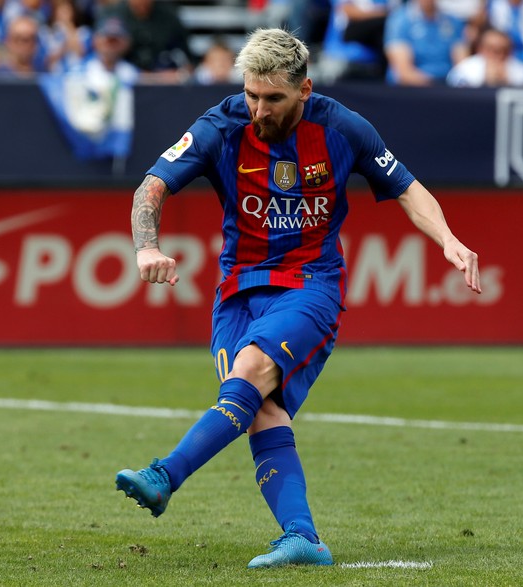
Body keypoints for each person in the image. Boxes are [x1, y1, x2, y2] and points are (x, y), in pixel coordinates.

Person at [115, 27, 481, 569]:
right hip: (237, 292)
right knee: (260, 410)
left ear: (304, 89)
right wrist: (146, 247)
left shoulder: (342, 128)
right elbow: (152, 185)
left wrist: (448, 238)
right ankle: (302, 537)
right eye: (251, 95)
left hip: (311, 285)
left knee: (254, 368)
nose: (259, 109)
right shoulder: (220, 125)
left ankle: (165, 474)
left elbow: (405, 186)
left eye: (274, 98)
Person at [100, 0, 193, 82]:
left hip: (165, 82)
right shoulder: (113, 16)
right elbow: (102, 58)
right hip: (123, 81)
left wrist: (181, 74)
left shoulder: (170, 16)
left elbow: (188, 61)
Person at [383, 0, 468, 85]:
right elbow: (404, 73)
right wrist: (436, 86)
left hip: (449, 87)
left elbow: (462, 67)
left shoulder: (453, 22)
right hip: (411, 90)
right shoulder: (399, 21)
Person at [447, 26, 523, 86]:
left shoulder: (522, 73)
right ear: (480, 49)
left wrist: (507, 82)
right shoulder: (465, 70)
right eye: (491, 49)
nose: (497, 55)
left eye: (502, 50)